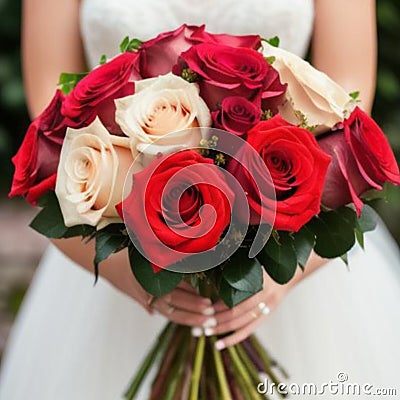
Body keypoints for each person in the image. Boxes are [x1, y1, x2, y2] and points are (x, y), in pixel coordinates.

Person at [1, 0, 400, 399]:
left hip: (289, 254)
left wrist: (284, 273)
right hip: (116, 251)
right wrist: (128, 273)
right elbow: (50, 121)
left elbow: (348, 110)